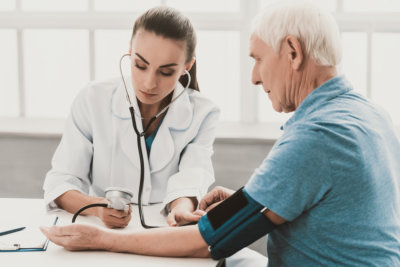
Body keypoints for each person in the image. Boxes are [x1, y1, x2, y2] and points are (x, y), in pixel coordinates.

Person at [41, 1, 400, 266]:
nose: (254, 77)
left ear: (292, 51)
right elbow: (328, 204)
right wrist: (251, 199)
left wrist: (103, 240)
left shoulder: (318, 135)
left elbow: (210, 240)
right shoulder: (370, 115)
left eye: (257, 59)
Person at [43, 6, 220, 229]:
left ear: (187, 66)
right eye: (140, 65)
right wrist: (95, 207)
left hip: (164, 229)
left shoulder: (204, 113)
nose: (149, 83)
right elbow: (61, 182)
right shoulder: (92, 99)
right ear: (130, 51)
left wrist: (181, 210)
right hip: (101, 229)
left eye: (165, 72)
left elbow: (192, 176)